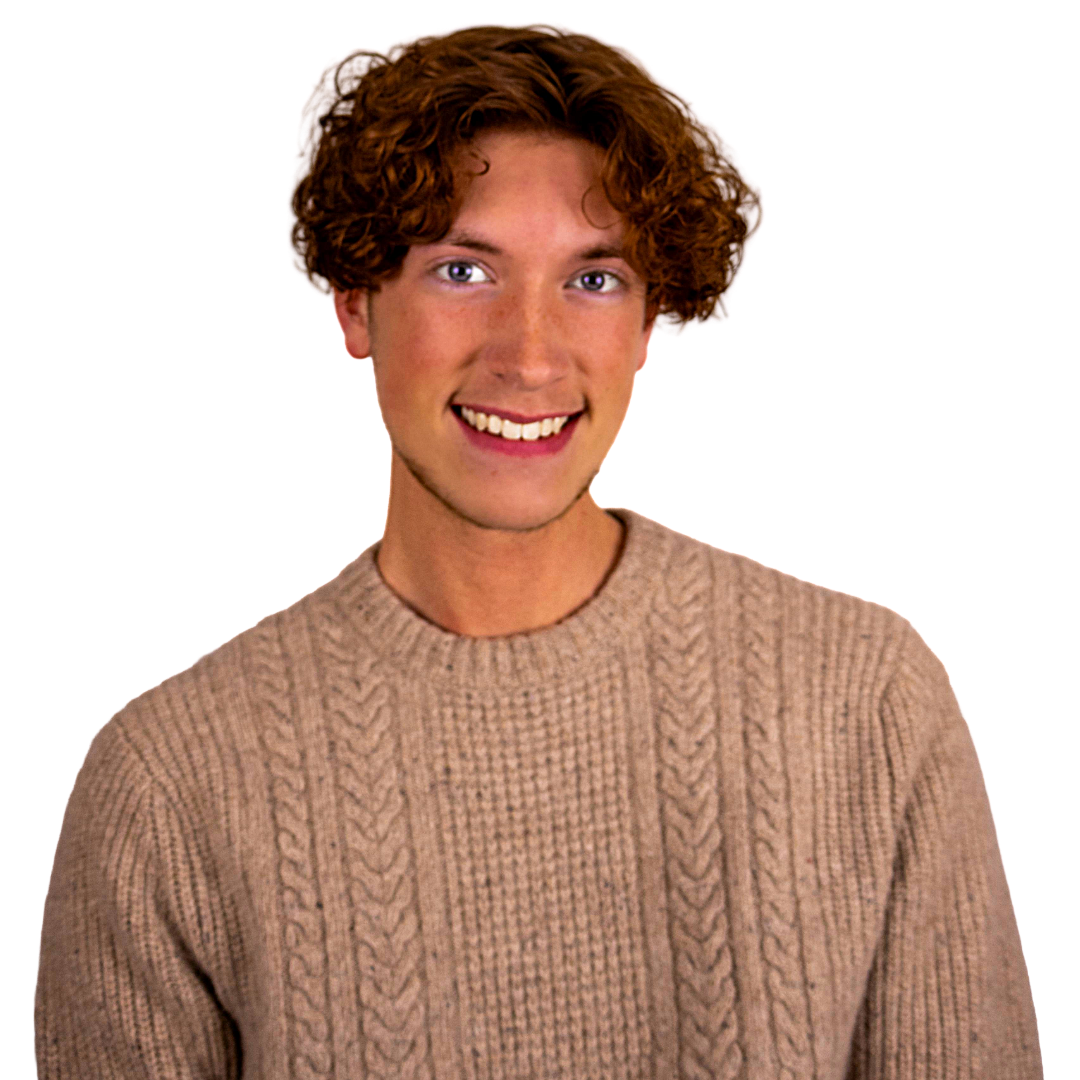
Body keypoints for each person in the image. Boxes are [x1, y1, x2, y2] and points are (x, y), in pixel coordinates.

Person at [34, 21, 1044, 1078]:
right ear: (353, 304)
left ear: (655, 312)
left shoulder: (866, 704)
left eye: (594, 280)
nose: (530, 354)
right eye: (464, 269)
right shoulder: (169, 782)